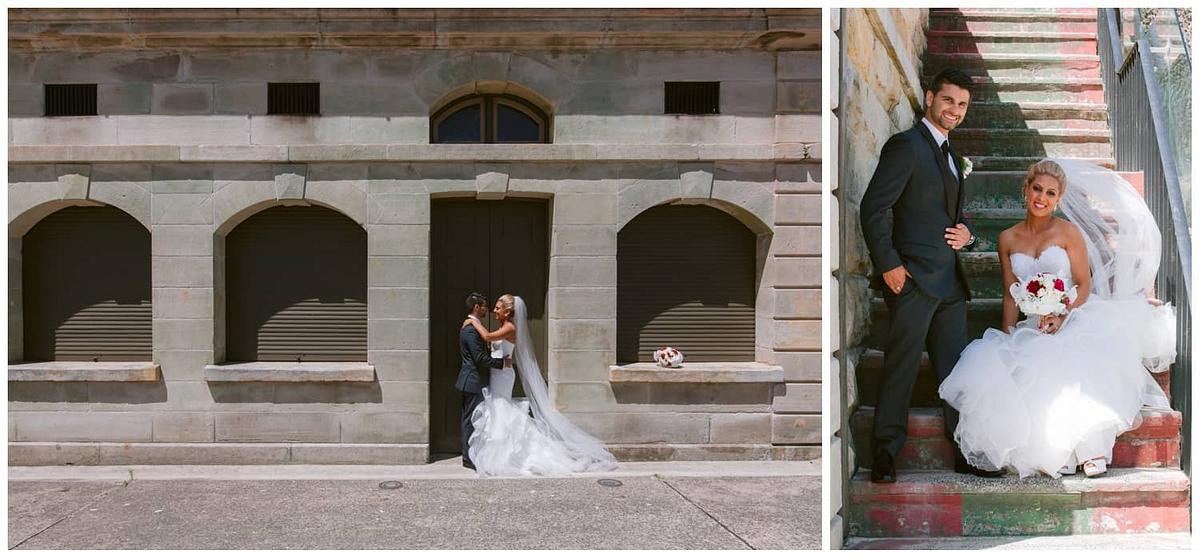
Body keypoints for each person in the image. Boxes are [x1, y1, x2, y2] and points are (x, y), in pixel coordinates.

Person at [938, 159, 1176, 478]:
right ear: (1026, 189)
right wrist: (1010, 335)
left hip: (1074, 315)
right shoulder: (1007, 238)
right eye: (1037, 189)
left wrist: (1063, 315)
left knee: (1072, 361)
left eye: (1051, 193)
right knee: (1024, 363)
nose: (1042, 197)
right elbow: (1011, 293)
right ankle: (1056, 450)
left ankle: (1091, 450)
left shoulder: (1068, 232)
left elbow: (1084, 282)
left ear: (1059, 198)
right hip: (1034, 323)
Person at [859, 68, 1001, 482]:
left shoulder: (954, 157)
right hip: (914, 281)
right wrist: (889, 264)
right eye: (948, 101)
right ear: (929, 97)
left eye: (961, 105)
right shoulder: (906, 147)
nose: (954, 110)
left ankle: (965, 452)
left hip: (951, 285)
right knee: (900, 367)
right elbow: (873, 208)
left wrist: (968, 237)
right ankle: (885, 454)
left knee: (956, 373)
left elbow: (949, 218)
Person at [462, 294, 616, 476]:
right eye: (494, 307)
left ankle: (508, 454)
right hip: (497, 373)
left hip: (503, 375)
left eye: (497, 307)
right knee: (497, 407)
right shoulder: (503, 326)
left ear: (507, 311)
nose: (494, 310)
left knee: (501, 406)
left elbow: (487, 337)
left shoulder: (510, 327)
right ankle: (496, 451)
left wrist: (472, 322)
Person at [456, 292, 511, 470]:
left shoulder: (473, 326)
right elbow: (479, 358)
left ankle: (473, 453)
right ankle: (468, 457)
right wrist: (501, 363)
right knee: (471, 420)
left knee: (473, 419)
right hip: (473, 381)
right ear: (477, 307)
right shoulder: (471, 329)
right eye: (485, 306)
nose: (488, 309)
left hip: (476, 380)